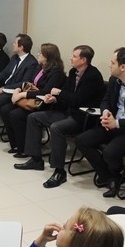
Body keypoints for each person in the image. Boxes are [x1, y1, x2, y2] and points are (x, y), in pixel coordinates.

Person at [14, 45, 105, 188]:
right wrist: (54, 99)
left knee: (56, 128)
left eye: (74, 56)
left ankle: (59, 171)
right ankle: (36, 160)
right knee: (34, 117)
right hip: (67, 112)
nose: (71, 58)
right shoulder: (73, 72)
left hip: (82, 118)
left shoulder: (93, 76)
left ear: (83, 60)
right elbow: (66, 94)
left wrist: (59, 94)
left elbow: (78, 100)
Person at [74, 47, 125, 197]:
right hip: (112, 124)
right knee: (82, 140)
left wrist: (117, 123)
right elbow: (105, 100)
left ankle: (113, 176)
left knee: (110, 152)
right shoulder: (114, 80)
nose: (109, 65)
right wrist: (106, 112)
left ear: (123, 67)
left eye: (113, 63)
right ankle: (109, 177)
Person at [0, 42, 66, 157]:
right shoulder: (40, 67)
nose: (38, 54)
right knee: (5, 110)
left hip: (43, 102)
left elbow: (46, 91)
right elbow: (29, 82)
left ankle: (24, 148)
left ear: (48, 56)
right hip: (31, 97)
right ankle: (15, 144)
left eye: (41, 53)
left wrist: (23, 95)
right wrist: (19, 90)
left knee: (16, 115)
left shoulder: (56, 71)